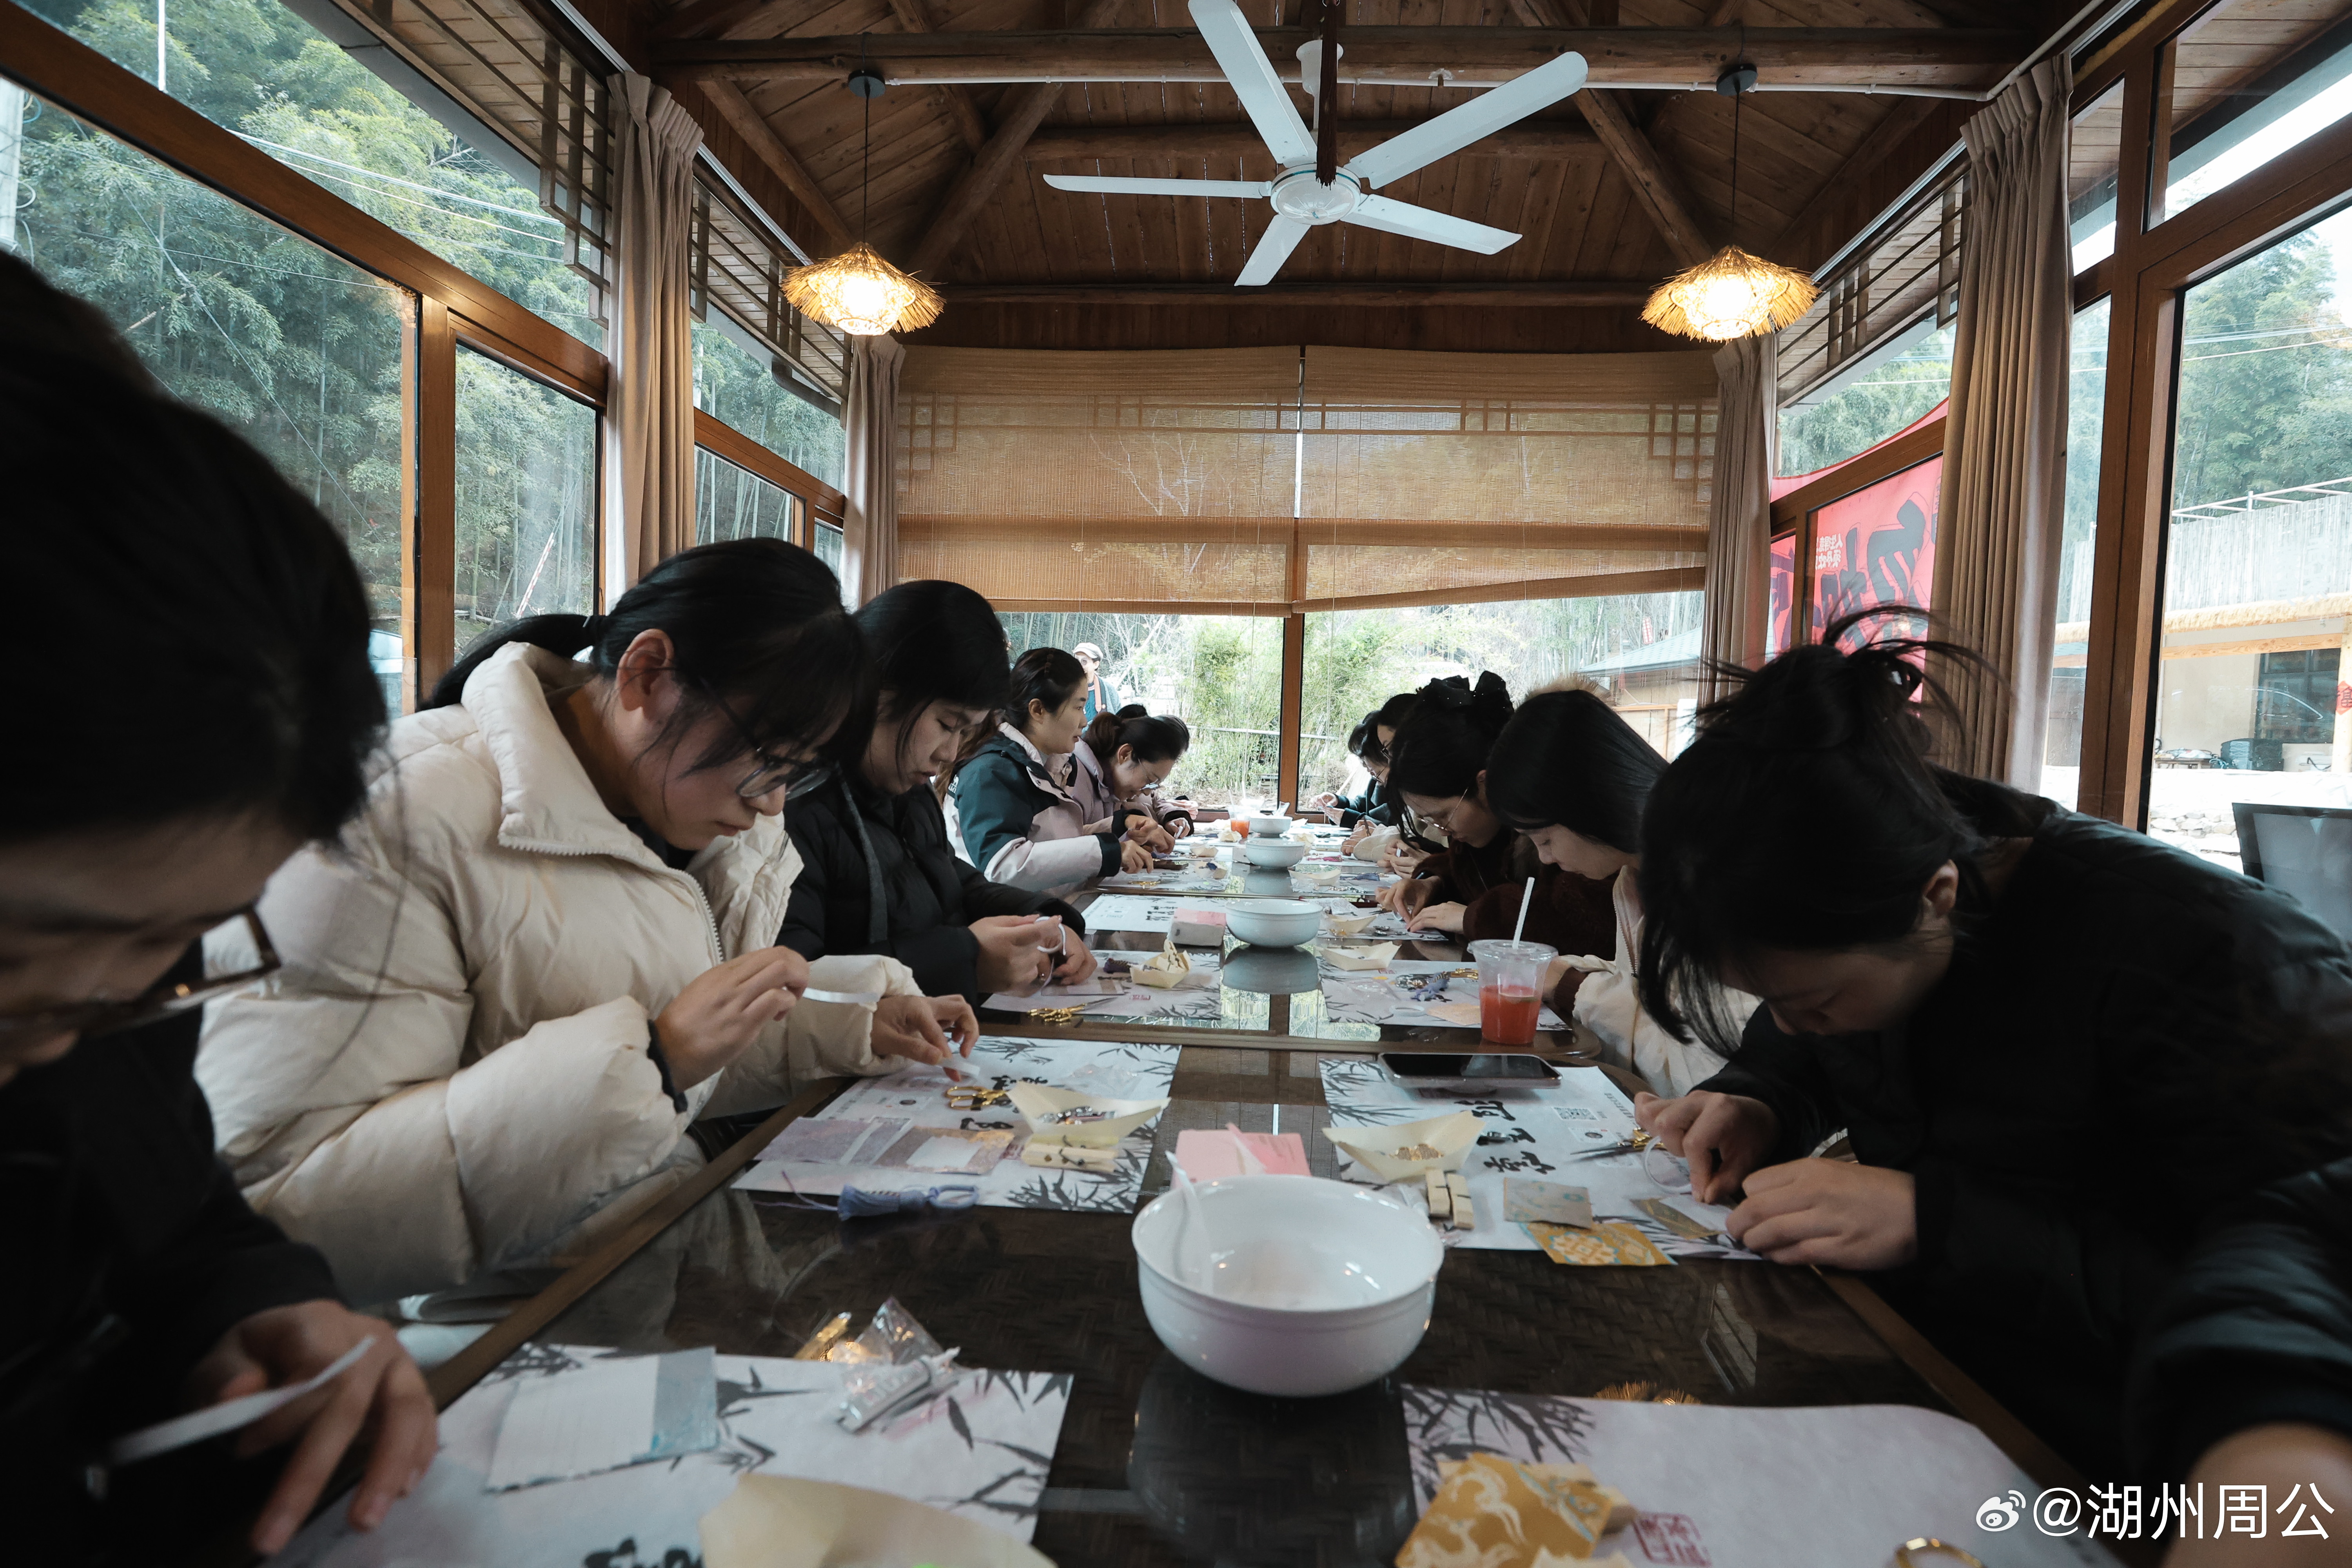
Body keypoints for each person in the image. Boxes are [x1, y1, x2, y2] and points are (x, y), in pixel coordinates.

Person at [1630, 612, 2352, 1478]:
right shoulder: (1869, 876)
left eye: (1809, 1001)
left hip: (2127, 1464)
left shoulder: (2212, 961)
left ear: (1934, 898)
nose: (1787, 1022)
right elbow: (1814, 1037)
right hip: (1926, 1391)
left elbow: (2266, 1304)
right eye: (1767, 1001)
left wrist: (1935, 1221)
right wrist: (1760, 1095)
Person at [199, 540, 978, 1310]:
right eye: (770, 761)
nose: (775, 802)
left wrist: (852, 1019)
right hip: (480, 1337)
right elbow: (282, 1203)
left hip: (645, 1274)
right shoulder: (399, 820)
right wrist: (651, 1062)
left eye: (797, 773)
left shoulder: (687, 817)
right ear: (646, 674)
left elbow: (674, 1035)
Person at [0, 255, 433, 1559]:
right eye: (36, 957)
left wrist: (250, 1309)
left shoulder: (116, 993)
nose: (82, 1024)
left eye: (169, 948)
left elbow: (172, 1212)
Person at [780, 581, 1104, 1004]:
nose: (950, 752)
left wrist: (1045, 920)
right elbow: (798, 991)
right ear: (876, 690)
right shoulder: (791, 807)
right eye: (948, 725)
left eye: (967, 731)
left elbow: (951, 881)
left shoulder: (906, 788)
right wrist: (965, 960)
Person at [1485, 688, 1740, 1096]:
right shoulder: (1634, 877)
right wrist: (1563, 972)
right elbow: (1641, 987)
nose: (1544, 858)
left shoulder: (1712, 883)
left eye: (1544, 838)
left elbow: (1708, 1076)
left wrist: (1575, 986)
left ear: (1591, 801)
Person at [1376, 674, 1615, 956]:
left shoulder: (1559, 826)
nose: (1441, 831)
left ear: (1483, 784)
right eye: (1430, 821)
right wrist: (1432, 883)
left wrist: (1475, 919)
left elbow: (1581, 921)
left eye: (1442, 816)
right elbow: (1460, 871)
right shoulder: (1477, 839)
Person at [949, 648, 1159, 897]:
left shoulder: (1043, 765)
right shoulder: (993, 771)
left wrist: (1116, 826)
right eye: (1079, 708)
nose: (1084, 721)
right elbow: (1002, 866)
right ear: (1038, 710)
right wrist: (1107, 852)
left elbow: (1047, 843)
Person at [1070, 706, 1195, 842]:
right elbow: (1062, 844)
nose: (1147, 793)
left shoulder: (1112, 788)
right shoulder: (1073, 778)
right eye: (1149, 780)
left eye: (1154, 786)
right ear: (1125, 755)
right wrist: (1121, 838)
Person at [1312, 711, 1394, 829]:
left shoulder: (1406, 790)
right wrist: (1339, 802)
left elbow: (1394, 830)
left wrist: (1352, 820)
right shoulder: (1377, 780)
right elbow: (1363, 805)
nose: (1366, 767)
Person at [1073, 641, 1122, 721]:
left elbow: (1119, 720)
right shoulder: (1066, 687)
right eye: (1077, 661)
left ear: (1096, 664)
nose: (1079, 665)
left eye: (1084, 661)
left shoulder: (1109, 690)